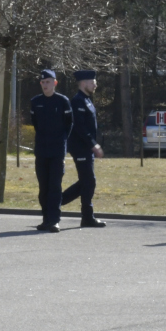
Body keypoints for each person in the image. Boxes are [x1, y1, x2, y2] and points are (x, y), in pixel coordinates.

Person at [61, 70, 106, 228]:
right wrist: (93, 144)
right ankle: (86, 216)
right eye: (92, 81)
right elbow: (79, 127)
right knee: (89, 181)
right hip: (80, 148)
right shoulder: (77, 101)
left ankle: (54, 203)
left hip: (86, 148)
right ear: (83, 83)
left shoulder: (87, 100)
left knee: (86, 182)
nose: (95, 84)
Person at [31, 70, 73, 233]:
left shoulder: (62, 101)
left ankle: (54, 220)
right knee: (43, 187)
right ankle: (45, 219)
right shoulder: (35, 102)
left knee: (55, 186)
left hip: (57, 151)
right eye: (42, 82)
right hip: (41, 150)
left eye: (48, 82)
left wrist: (60, 141)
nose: (45, 85)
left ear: (54, 83)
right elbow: (35, 123)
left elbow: (69, 124)